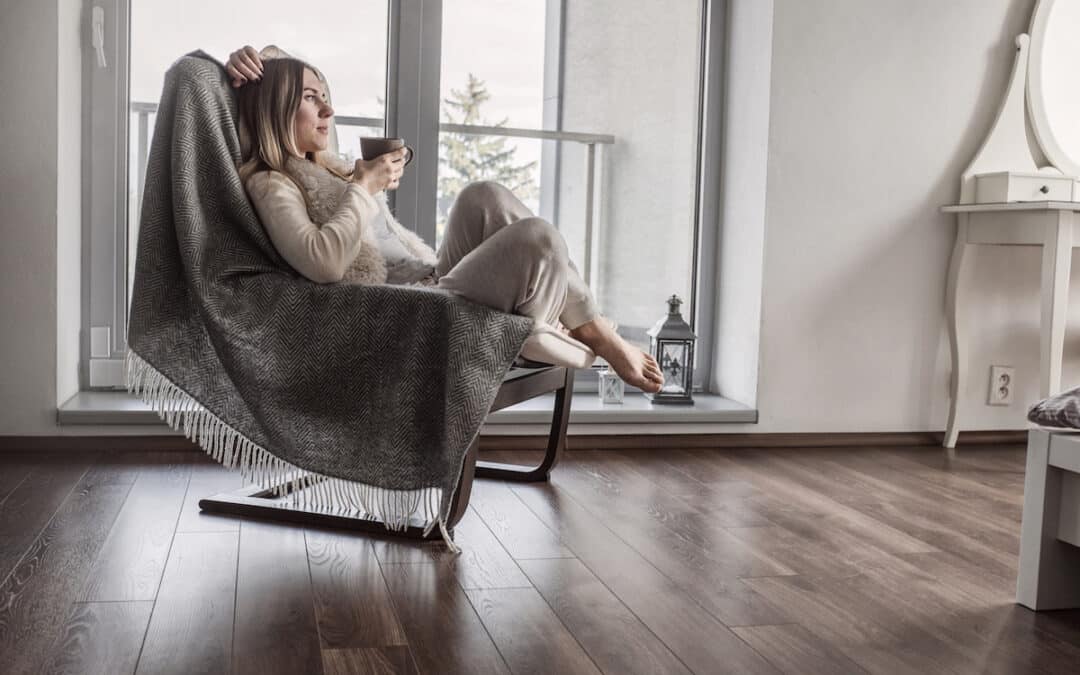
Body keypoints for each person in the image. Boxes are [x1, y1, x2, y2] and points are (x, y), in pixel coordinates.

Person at [226, 45, 664, 393]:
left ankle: (546, 328)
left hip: (429, 282)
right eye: (310, 99)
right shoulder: (272, 182)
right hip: (403, 316)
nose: (328, 111)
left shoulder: (329, 166)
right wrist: (364, 188)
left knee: (483, 196)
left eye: (327, 97)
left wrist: (360, 180)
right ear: (275, 108)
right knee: (539, 239)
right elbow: (322, 263)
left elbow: (283, 73)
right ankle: (562, 334)